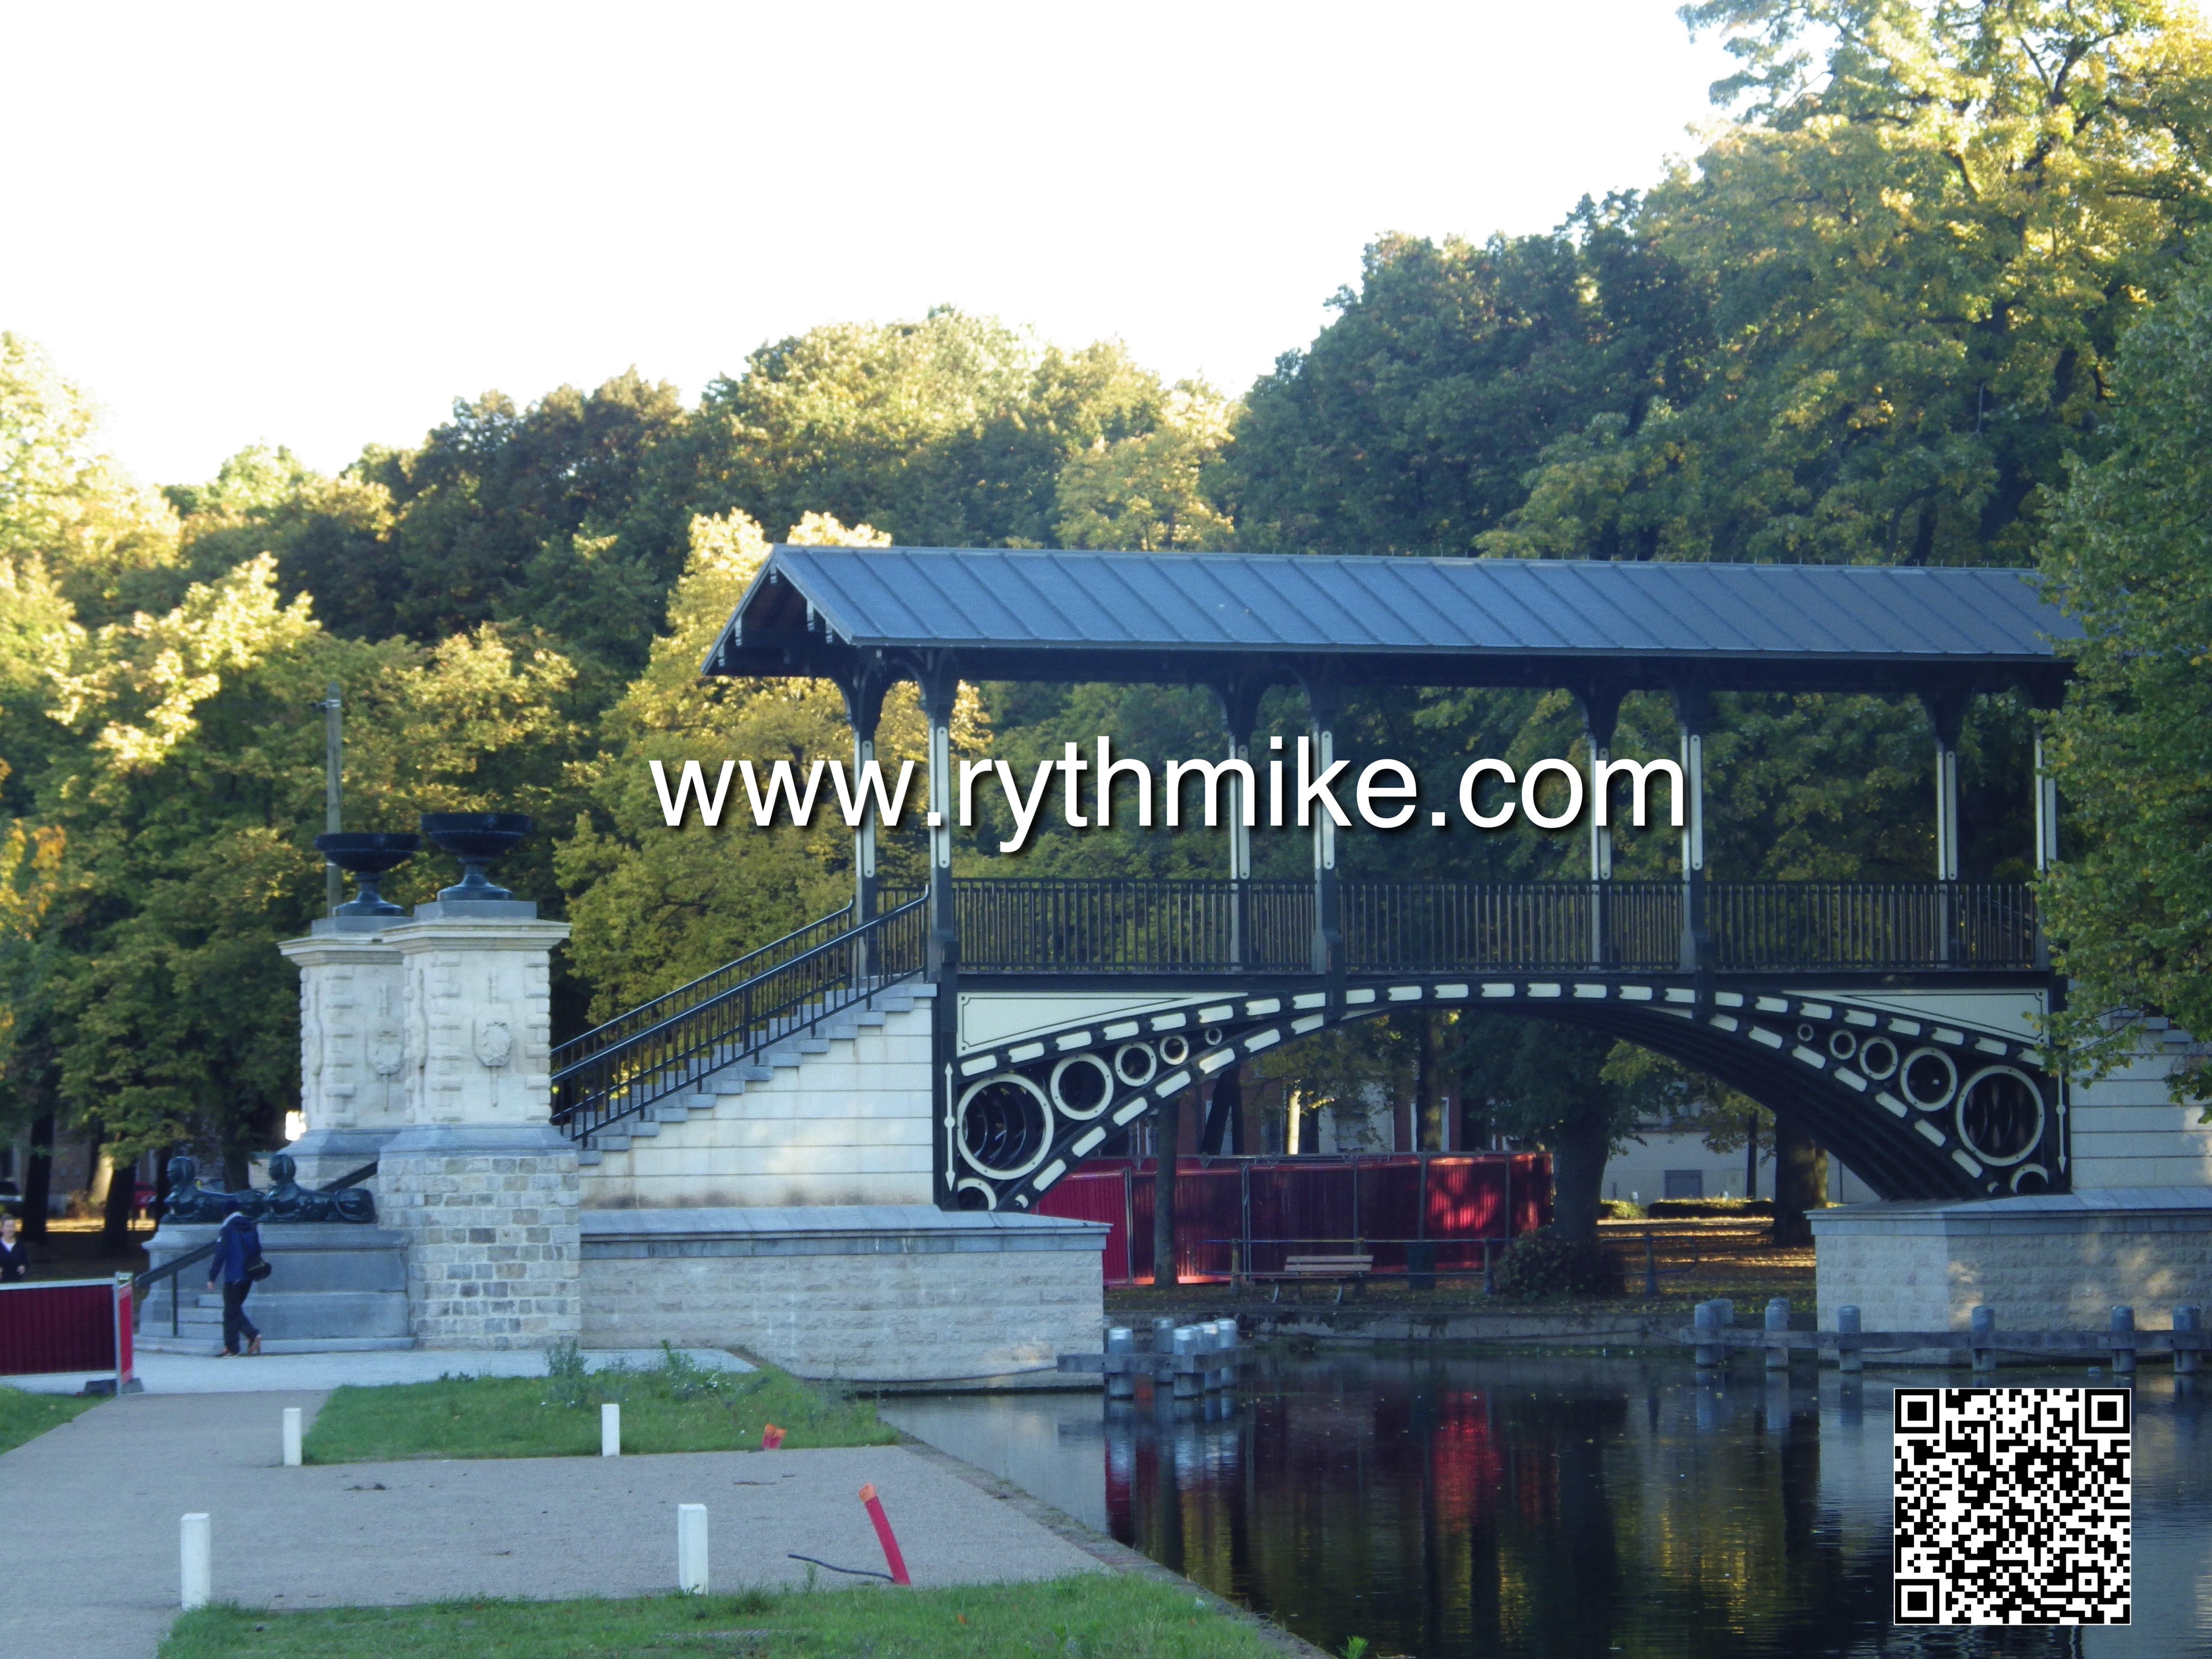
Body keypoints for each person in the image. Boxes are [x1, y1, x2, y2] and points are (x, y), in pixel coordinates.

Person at [205, 1208, 263, 1356]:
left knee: (232, 1310)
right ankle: (232, 1347)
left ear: (225, 1213)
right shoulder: (251, 1227)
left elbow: (221, 1254)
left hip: (233, 1276)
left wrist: (212, 1277)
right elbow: (258, 1250)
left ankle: (251, 1335)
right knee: (232, 1310)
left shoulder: (227, 1229)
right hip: (248, 1276)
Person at [0, 1214, 27, 1282]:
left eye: (13, 1227)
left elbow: (26, 1262)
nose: (11, 1229)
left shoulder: (20, 1246)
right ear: (2, 1229)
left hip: (17, 1284)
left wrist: (23, 1267)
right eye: (8, 1227)